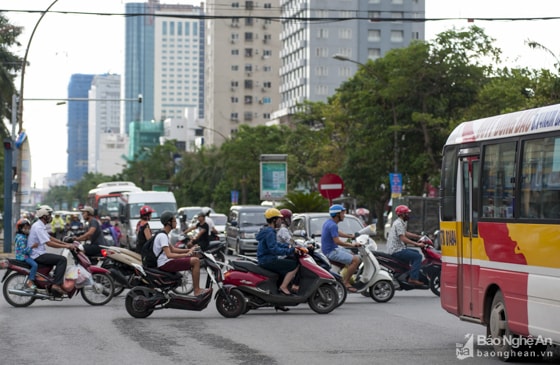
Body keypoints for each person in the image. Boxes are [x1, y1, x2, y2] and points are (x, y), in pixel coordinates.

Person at [154, 211, 210, 297]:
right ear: (169, 223)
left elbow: (173, 249)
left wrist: (189, 250)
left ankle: (197, 289)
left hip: (166, 261)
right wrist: (186, 255)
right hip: (165, 263)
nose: (176, 223)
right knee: (196, 261)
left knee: (194, 259)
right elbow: (169, 254)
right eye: (174, 221)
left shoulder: (164, 234)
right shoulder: (163, 236)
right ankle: (197, 290)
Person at [28, 205, 75, 295]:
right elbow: (49, 243)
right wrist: (66, 246)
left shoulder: (40, 225)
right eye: (49, 215)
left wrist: (65, 244)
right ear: (44, 216)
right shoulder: (38, 227)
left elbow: (50, 237)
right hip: (37, 255)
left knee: (57, 260)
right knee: (62, 260)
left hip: (38, 253)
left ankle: (53, 281)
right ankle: (56, 285)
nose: (51, 217)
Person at [257, 208, 299, 296]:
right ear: (274, 220)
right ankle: (283, 287)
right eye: (279, 219)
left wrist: (287, 246)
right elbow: (274, 249)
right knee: (294, 265)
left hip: (266, 259)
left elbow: (276, 244)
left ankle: (278, 295)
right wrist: (290, 250)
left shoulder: (268, 231)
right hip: (268, 260)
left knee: (283, 271)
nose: (281, 222)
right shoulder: (270, 232)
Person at [321, 204, 361, 292]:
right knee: (356, 260)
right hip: (331, 251)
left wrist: (350, 236)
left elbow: (338, 233)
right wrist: (352, 244)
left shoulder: (329, 222)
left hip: (331, 249)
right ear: (337, 214)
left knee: (352, 254)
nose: (344, 215)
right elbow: (338, 241)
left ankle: (344, 276)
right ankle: (346, 282)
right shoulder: (332, 225)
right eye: (342, 213)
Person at [386, 205, 425, 286]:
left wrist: (418, 236)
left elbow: (405, 233)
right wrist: (417, 244)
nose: (408, 215)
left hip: (398, 248)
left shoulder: (401, 222)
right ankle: (413, 278)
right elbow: (403, 238)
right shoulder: (398, 223)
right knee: (418, 257)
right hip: (396, 250)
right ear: (402, 214)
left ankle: (406, 273)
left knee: (416, 253)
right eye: (407, 213)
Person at [14, 219, 38, 290]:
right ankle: (30, 281)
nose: (27, 230)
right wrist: (32, 247)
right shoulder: (21, 238)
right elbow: (23, 251)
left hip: (22, 255)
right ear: (20, 228)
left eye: (28, 228)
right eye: (25, 228)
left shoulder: (21, 236)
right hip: (22, 256)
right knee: (35, 265)